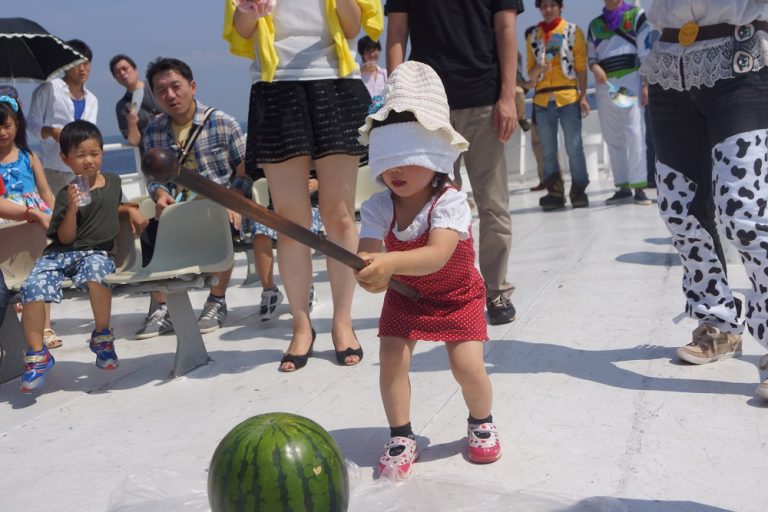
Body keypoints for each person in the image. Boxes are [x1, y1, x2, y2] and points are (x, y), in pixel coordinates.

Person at [356, 62, 501, 479]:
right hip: (405, 297)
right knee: (391, 359)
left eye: (409, 159)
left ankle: (481, 421)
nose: (395, 171)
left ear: (435, 158)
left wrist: (388, 262)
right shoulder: (378, 206)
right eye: (388, 161)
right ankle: (401, 434)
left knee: (467, 365)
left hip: (458, 296)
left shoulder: (450, 202)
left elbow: (437, 255)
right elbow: (369, 255)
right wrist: (369, 272)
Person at [225, 0, 382, 371]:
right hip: (276, 87)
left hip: (336, 83)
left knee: (339, 214)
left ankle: (342, 321)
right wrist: (250, 6)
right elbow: (242, 29)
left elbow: (351, 27)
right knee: (289, 219)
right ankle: (300, 323)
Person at [642, 1, 768, 400]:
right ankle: (719, 322)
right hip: (669, 64)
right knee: (680, 210)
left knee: (744, 212)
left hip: (741, 58)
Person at [386, 0, 522, 326]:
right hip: (429, 108)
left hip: (484, 102)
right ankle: (442, 290)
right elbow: (396, 36)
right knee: (431, 209)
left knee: (494, 206)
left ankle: (496, 289)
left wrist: (507, 98)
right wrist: (398, 100)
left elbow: (506, 29)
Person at [18, 120, 147, 392]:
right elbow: (64, 239)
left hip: (96, 253)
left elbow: (113, 206)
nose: (88, 161)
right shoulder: (66, 194)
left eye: (94, 153)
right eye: (80, 155)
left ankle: (102, 339)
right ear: (66, 159)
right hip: (62, 254)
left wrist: (130, 210)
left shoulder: (112, 181)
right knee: (32, 286)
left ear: (102, 152)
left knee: (96, 272)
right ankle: (37, 355)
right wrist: (73, 209)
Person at [137, 57, 249, 338]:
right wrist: (160, 194)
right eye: (161, 90)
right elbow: (154, 179)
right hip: (178, 210)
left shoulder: (223, 123)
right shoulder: (152, 131)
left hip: (216, 206)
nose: (170, 95)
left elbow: (245, 171)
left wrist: (233, 200)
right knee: (149, 231)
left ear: (193, 86)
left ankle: (217, 299)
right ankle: (161, 306)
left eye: (176, 86)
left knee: (223, 222)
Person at [0, 91, 66, 349]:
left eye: (6, 125)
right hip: (6, 219)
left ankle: (45, 325)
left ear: (17, 125)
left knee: (39, 270)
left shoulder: (30, 157)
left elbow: (45, 190)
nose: (2, 132)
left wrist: (54, 216)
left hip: (34, 218)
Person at [527, 0, 590, 210]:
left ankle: (579, 189)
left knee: (574, 147)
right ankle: (554, 192)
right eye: (543, 6)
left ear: (560, 7)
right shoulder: (533, 35)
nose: (547, 9)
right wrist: (540, 66)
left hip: (568, 96)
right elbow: (531, 74)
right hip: (542, 99)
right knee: (547, 149)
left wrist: (583, 96)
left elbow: (581, 66)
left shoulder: (573, 31)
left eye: (551, 5)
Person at [588, 0, 652, 206]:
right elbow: (591, 55)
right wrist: (594, 66)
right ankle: (623, 186)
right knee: (613, 135)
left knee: (633, 132)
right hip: (605, 83)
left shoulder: (636, 15)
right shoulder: (595, 25)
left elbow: (646, 51)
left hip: (629, 78)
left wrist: (646, 84)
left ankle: (640, 188)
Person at [27, 39, 98, 195]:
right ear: (65, 65)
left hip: (83, 168)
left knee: (83, 212)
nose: (82, 69)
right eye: (76, 63)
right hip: (54, 167)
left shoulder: (92, 99)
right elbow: (31, 123)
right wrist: (51, 131)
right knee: (59, 213)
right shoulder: (49, 89)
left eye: (86, 63)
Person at [109, 54, 162, 147]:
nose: (122, 73)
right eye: (117, 72)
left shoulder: (157, 86)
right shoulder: (122, 106)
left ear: (135, 69)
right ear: (115, 78)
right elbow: (134, 141)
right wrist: (132, 124)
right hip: (151, 155)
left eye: (124, 68)